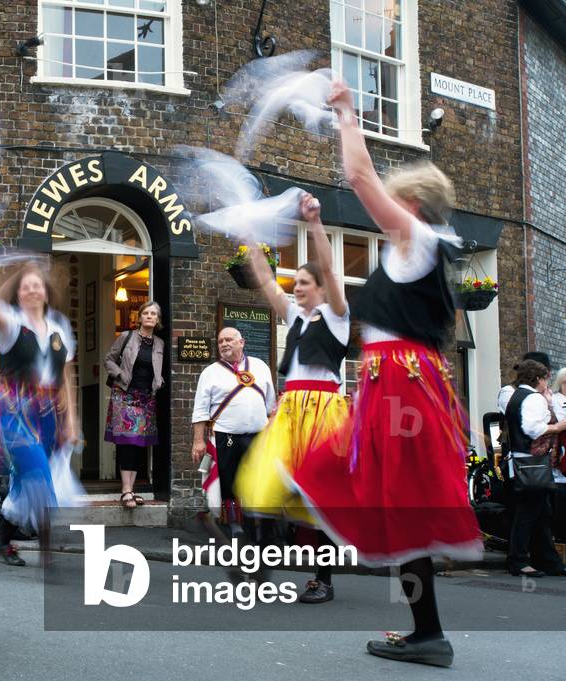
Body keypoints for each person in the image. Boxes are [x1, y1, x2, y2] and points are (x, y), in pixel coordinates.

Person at [291, 80, 482, 668]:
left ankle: (429, 633)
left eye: (394, 202)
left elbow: (359, 177)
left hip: (399, 382)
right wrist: (317, 226)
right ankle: (428, 632)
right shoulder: (413, 252)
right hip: (395, 381)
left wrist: (348, 114)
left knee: (384, 497)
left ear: (412, 205)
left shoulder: (416, 238)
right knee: (388, 499)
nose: (385, 212)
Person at [235, 192, 350, 605]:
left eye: (304, 282)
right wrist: (250, 240)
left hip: (324, 411)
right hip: (290, 409)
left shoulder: (337, 316)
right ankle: (260, 568)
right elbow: (267, 281)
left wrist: (315, 223)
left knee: (319, 496)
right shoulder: (295, 316)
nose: (296, 287)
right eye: (296, 282)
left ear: (320, 287)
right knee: (261, 483)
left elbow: (331, 269)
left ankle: (323, 579)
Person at [0, 256, 80, 567]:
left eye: (37, 285)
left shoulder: (59, 328)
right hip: (12, 412)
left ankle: (3, 542)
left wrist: (71, 420)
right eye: (26, 286)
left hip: (47, 415)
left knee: (26, 481)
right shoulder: (11, 323)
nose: (33, 290)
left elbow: (67, 377)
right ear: (19, 294)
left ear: (45, 293)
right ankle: (48, 553)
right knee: (39, 472)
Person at [191, 326, 275, 538]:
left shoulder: (260, 366)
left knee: (256, 478)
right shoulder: (210, 372)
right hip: (225, 435)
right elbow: (200, 409)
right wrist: (198, 441)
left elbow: (270, 404)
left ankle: (255, 523)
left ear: (241, 342)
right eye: (220, 341)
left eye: (229, 339)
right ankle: (233, 522)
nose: (224, 344)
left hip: (257, 435)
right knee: (229, 480)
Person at [503, 359, 566, 577]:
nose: (547, 384)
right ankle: (519, 561)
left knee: (541, 512)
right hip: (532, 463)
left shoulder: (517, 395)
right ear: (538, 379)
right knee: (529, 513)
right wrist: (557, 426)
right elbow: (532, 429)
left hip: (521, 462)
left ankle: (548, 560)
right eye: (546, 379)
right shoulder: (533, 398)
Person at [103, 301, 165, 508]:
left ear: (157, 319)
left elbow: (158, 368)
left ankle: (132, 489)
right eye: (146, 313)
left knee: (140, 443)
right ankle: (126, 490)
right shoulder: (126, 337)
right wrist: (120, 374)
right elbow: (109, 359)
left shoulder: (159, 344)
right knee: (127, 442)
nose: (149, 316)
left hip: (146, 398)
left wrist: (160, 381)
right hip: (125, 395)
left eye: (153, 313)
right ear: (139, 317)